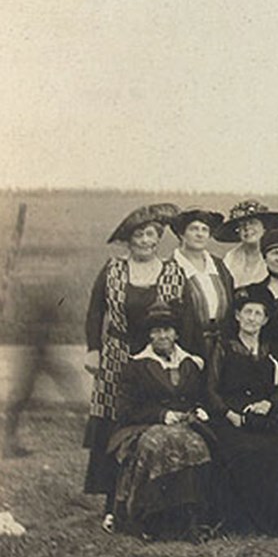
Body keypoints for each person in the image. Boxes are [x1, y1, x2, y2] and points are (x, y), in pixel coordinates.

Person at [82, 203, 187, 532]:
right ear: (128, 241)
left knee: (153, 419)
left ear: (159, 239)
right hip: (117, 355)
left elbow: (182, 318)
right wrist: (93, 350)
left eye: (152, 234)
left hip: (156, 357)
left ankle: (152, 500)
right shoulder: (113, 269)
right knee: (115, 425)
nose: (145, 240)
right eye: (139, 235)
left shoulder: (172, 271)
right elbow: (95, 311)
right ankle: (112, 502)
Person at [107, 306, 213, 540]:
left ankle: (190, 520)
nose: (162, 336)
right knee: (159, 443)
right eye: (156, 331)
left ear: (176, 334)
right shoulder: (136, 365)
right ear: (149, 335)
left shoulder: (191, 364)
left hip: (186, 426)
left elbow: (201, 397)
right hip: (143, 427)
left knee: (195, 446)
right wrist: (161, 415)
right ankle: (151, 521)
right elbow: (125, 410)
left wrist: (197, 411)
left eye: (167, 330)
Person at [206, 284, 278, 534]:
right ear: (237, 315)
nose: (252, 318)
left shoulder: (273, 350)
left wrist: (269, 404)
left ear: (265, 320)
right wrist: (229, 414)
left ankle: (269, 522)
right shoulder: (223, 347)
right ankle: (240, 523)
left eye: (258, 314)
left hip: (264, 417)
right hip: (231, 417)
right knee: (244, 452)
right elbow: (211, 389)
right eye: (247, 312)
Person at [171, 207, 235, 357]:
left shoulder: (219, 266)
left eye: (204, 230)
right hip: (187, 344)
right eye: (194, 229)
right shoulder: (172, 268)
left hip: (221, 344)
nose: (200, 234)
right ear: (182, 234)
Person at [214, 200, 278, 287]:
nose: (247, 228)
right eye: (242, 225)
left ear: (264, 227)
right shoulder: (230, 258)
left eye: (252, 223)